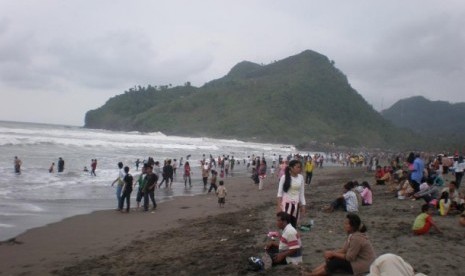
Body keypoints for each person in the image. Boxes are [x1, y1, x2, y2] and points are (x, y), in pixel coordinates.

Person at [305, 213, 375, 276]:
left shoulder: (356, 238)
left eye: (346, 224)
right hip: (357, 260)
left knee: (336, 262)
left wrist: (333, 254)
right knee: (332, 258)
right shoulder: (352, 235)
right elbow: (344, 250)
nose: (344, 225)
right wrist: (330, 253)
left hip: (364, 264)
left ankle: (312, 274)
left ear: (352, 226)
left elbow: (349, 257)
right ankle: (313, 271)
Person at [277, 159, 306, 228]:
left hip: (296, 205)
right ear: (291, 168)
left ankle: (292, 238)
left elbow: (301, 193)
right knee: (285, 225)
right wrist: (279, 206)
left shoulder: (301, 177)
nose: (300, 169)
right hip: (286, 205)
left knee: (294, 225)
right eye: (298, 167)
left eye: (300, 167)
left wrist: (303, 205)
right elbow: (279, 194)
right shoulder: (284, 177)